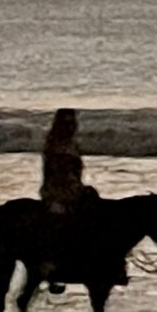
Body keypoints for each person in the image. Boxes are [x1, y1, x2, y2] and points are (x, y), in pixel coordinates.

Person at [38, 108, 102, 291]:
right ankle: (50, 265)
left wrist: (81, 188)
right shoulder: (54, 144)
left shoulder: (72, 144)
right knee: (59, 219)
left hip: (73, 189)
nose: (71, 126)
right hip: (56, 191)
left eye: (72, 123)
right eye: (67, 123)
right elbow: (56, 173)